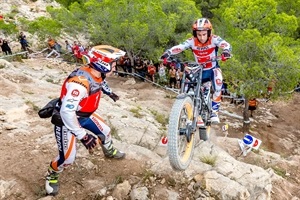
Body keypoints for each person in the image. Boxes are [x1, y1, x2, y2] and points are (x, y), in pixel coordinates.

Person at [44, 45, 126, 196]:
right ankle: (52, 173)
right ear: (102, 63)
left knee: (106, 132)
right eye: (113, 63)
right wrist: (83, 136)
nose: (115, 66)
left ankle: (108, 151)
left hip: (85, 115)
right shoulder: (79, 83)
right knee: (68, 158)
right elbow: (67, 111)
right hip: (66, 121)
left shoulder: (96, 72)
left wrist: (109, 92)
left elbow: (101, 82)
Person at [161, 18, 232, 123]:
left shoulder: (214, 39)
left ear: (209, 32)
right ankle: (190, 112)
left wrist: (226, 51)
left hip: (212, 68)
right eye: (199, 35)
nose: (202, 37)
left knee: (218, 82)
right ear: (195, 34)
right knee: (189, 86)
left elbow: (226, 44)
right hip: (199, 69)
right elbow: (180, 47)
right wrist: (168, 52)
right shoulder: (192, 41)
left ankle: (214, 111)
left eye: (204, 34)